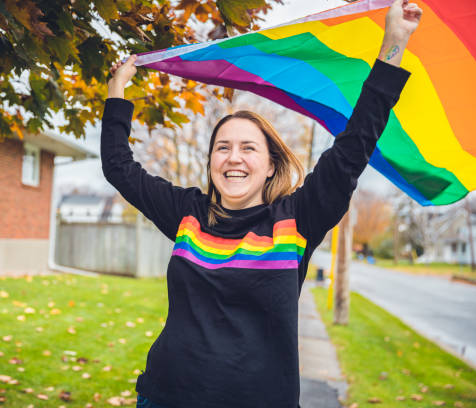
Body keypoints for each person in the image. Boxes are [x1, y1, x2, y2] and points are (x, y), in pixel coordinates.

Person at [101, 1, 422, 406]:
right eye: (223, 148)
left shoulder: (297, 219)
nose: (234, 158)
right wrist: (117, 92)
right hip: (166, 397)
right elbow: (119, 167)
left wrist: (394, 43)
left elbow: (354, 145)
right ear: (212, 161)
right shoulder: (188, 215)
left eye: (248, 148)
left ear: (271, 165)